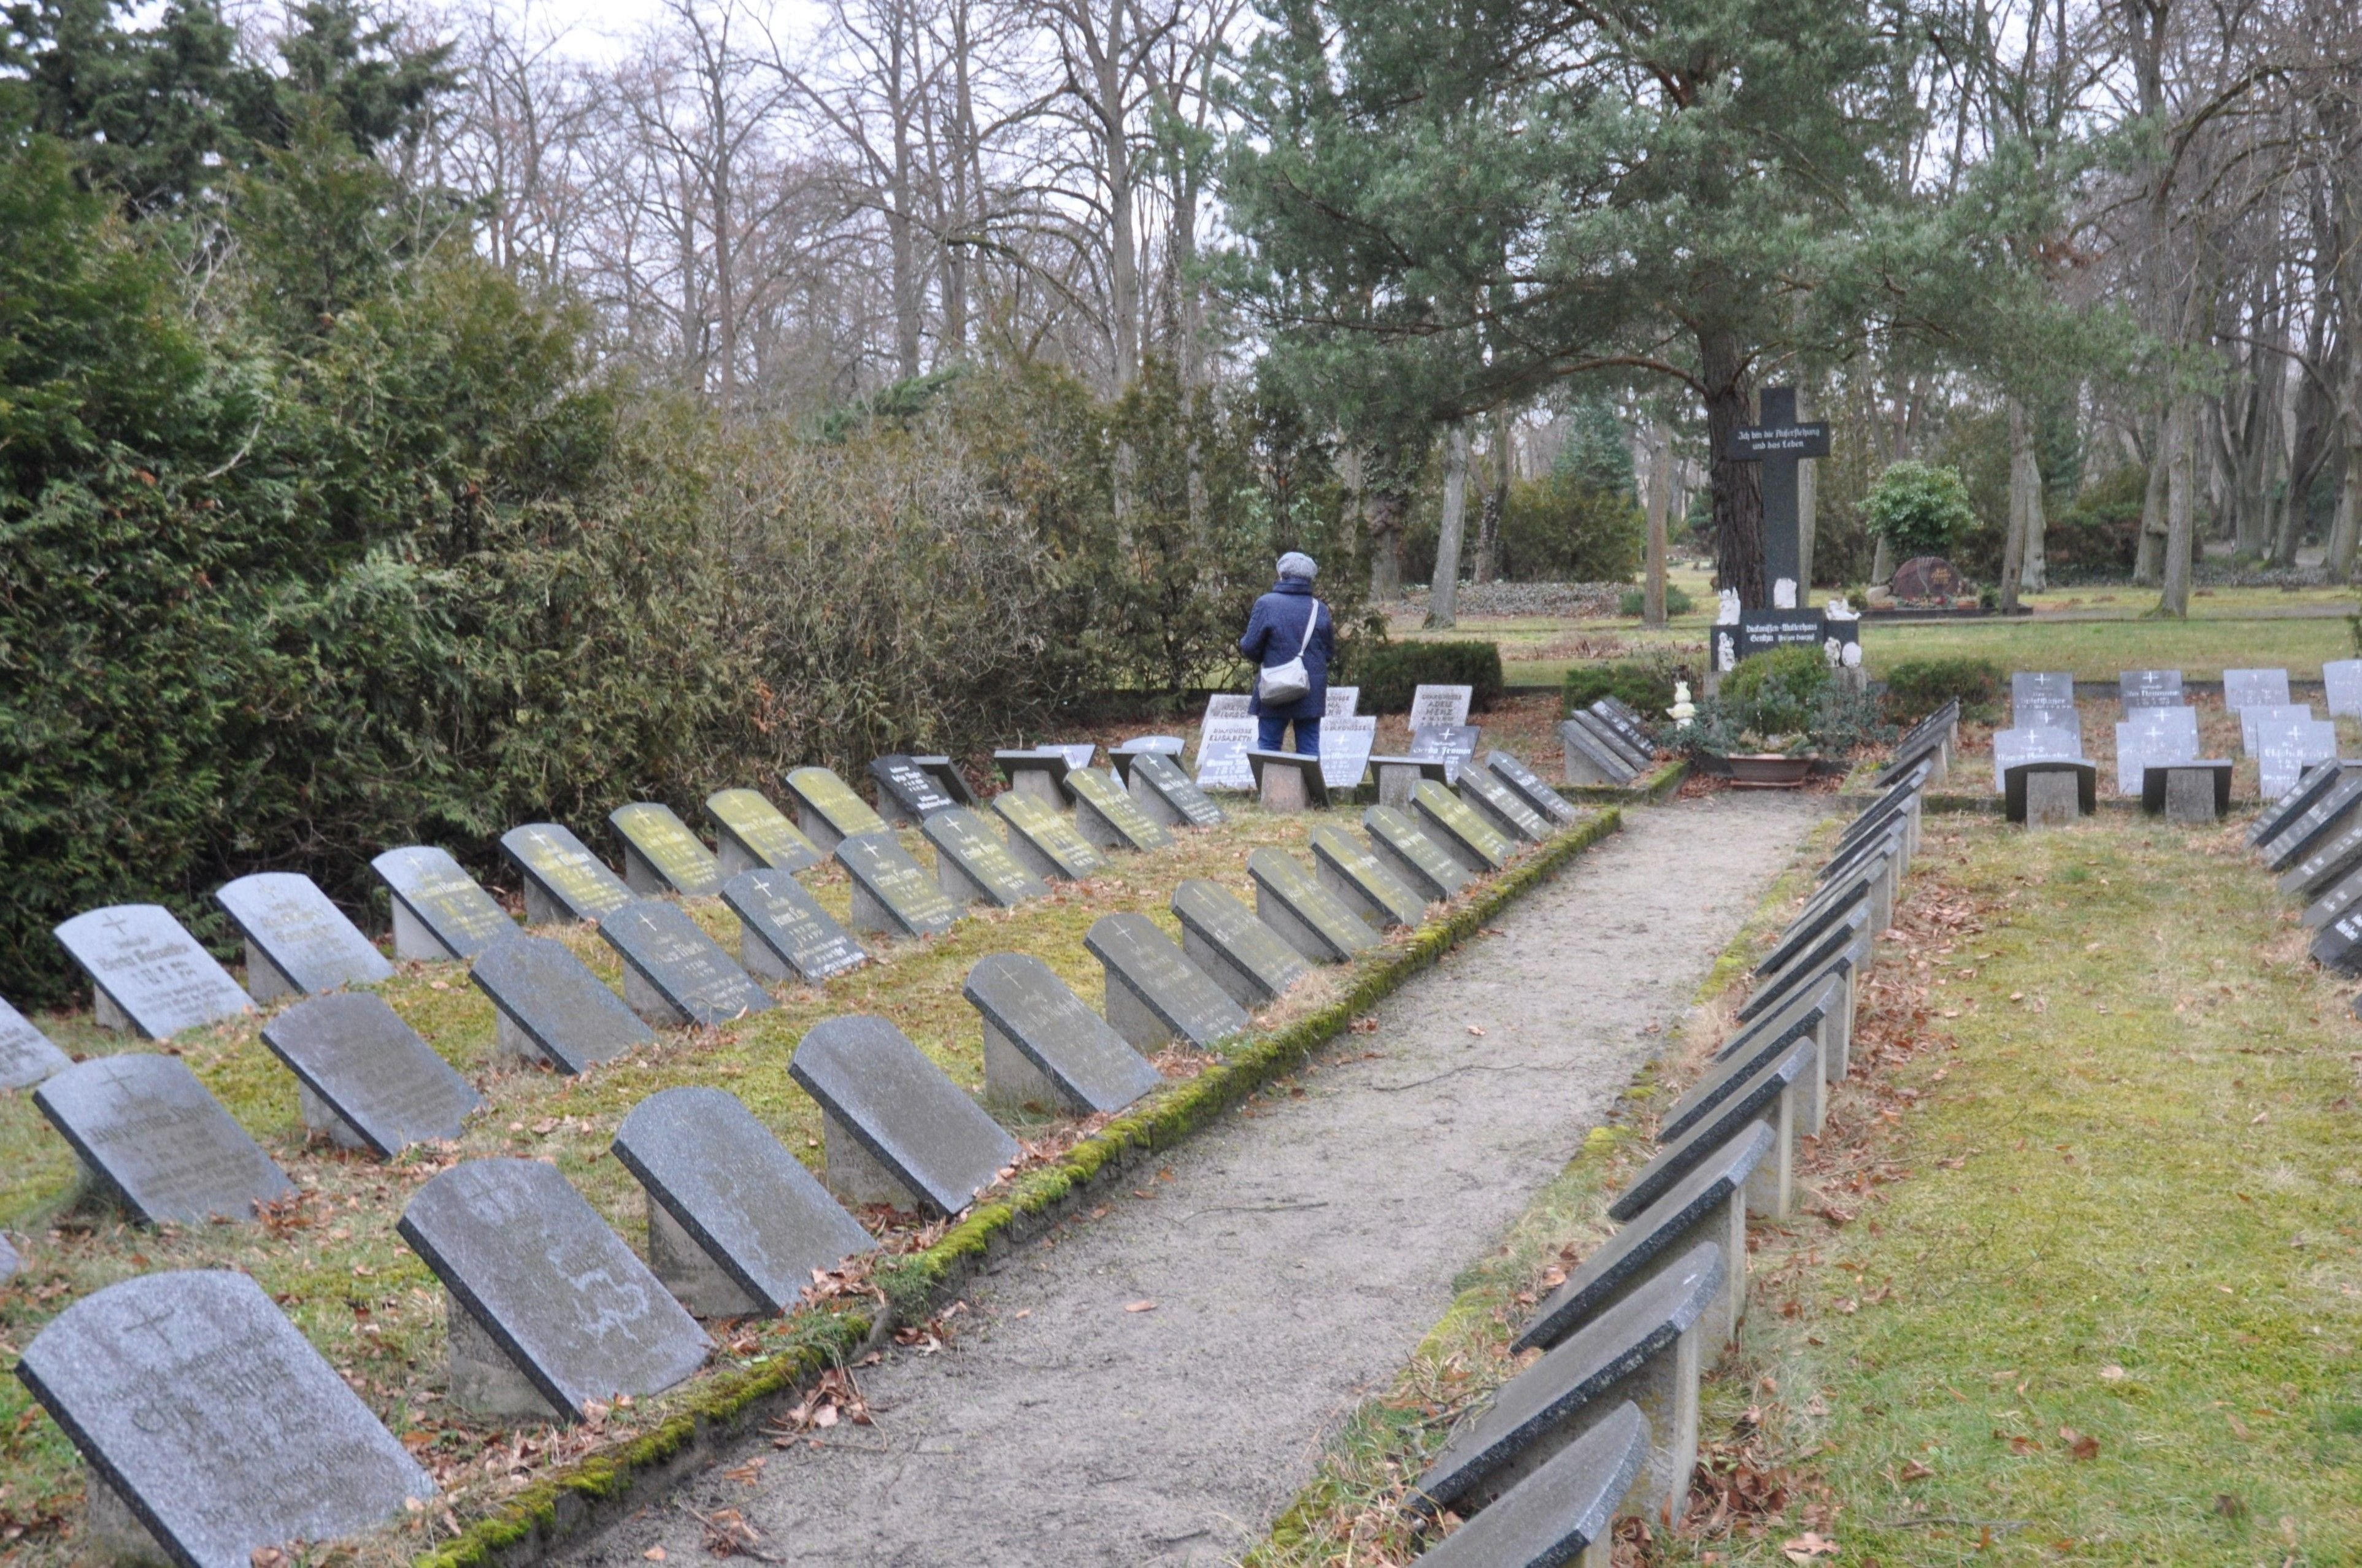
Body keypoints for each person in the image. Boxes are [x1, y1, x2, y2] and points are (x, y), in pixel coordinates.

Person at [1239, 551, 1334, 756]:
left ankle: (1271, 789)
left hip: (1275, 687)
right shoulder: (1321, 609)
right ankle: (1310, 789)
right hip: (1310, 688)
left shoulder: (1266, 604)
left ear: (1282, 574)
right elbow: (1328, 652)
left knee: (1269, 748)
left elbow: (1250, 647)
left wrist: (1270, 659)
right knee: (1309, 749)